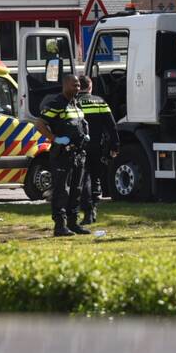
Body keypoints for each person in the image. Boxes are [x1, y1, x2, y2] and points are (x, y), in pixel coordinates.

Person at [34, 74, 90, 237]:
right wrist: (55, 139)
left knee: (76, 190)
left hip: (78, 154)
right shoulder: (56, 104)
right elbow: (39, 124)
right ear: (65, 85)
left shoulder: (75, 103)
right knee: (61, 191)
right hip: (62, 155)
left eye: (79, 85)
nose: (77, 88)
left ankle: (73, 223)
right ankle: (60, 226)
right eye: (74, 85)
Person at [75, 75, 119, 225]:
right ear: (90, 86)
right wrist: (115, 145)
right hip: (98, 147)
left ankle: (88, 212)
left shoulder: (74, 102)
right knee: (95, 178)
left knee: (83, 178)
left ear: (78, 86)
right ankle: (93, 207)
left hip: (79, 147)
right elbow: (112, 126)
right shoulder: (100, 102)